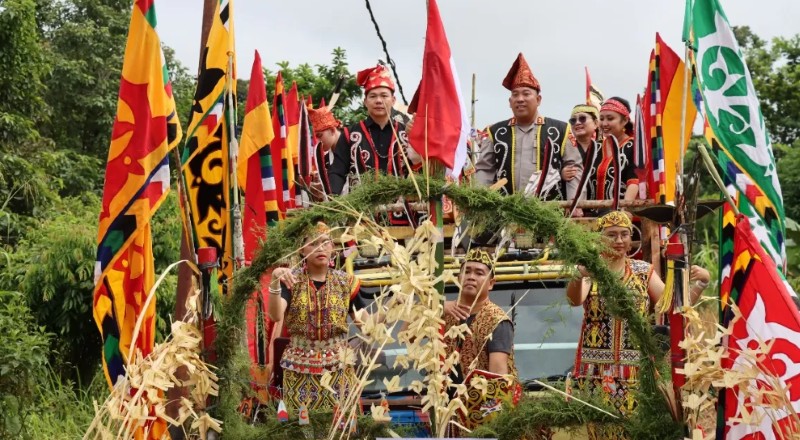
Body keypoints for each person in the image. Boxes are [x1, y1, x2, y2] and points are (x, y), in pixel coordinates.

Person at [565, 211, 710, 439]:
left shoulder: (643, 271)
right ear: (598, 239)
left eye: (625, 234)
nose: (620, 241)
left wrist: (701, 283)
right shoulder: (591, 270)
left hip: (635, 371)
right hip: (594, 372)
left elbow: (671, 306)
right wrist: (578, 275)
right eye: (612, 235)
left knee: (634, 431)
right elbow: (575, 299)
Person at [267, 222, 369, 413]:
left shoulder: (345, 283)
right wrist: (274, 280)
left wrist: (395, 304)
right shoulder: (291, 280)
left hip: (338, 369)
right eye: (313, 244)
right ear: (302, 250)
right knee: (303, 428)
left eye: (325, 243)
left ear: (333, 247)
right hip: (299, 368)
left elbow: (366, 324)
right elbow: (275, 314)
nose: (320, 248)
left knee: (339, 426)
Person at [443, 248, 521, 432]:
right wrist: (436, 306)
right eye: (467, 271)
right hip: (444, 415)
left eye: (479, 273)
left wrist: (487, 429)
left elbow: (498, 379)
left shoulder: (497, 320)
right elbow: (408, 333)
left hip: (479, 420)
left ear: (491, 283)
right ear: (458, 276)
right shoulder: (445, 312)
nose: (471, 276)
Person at [476, 53, 570, 199]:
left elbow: (573, 170)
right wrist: (479, 200)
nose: (520, 99)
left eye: (526, 94)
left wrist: (575, 204)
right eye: (515, 95)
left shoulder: (560, 130)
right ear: (509, 101)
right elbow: (484, 170)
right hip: (505, 211)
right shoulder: (495, 132)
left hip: (550, 212)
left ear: (538, 99)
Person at [328, 64, 418, 196]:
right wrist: (333, 199)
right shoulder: (350, 135)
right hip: (362, 212)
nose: (378, 101)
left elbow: (418, 168)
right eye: (373, 96)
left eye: (384, 96)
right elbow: (337, 171)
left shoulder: (405, 133)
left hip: (402, 212)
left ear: (393, 100)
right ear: (365, 102)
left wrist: (418, 137)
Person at [589, 97, 640, 204]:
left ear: (625, 120)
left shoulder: (634, 146)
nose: (604, 124)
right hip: (590, 213)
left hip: (620, 214)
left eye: (610, 118)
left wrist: (622, 211)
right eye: (601, 119)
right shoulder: (594, 148)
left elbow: (634, 181)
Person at [562, 104, 601, 217]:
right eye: (573, 120)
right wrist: (562, 173)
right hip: (572, 213)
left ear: (596, 123)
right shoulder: (564, 147)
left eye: (582, 118)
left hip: (601, 210)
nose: (577, 123)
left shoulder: (605, 147)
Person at [307, 105, 342, 199]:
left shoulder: (355, 150)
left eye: (320, 135)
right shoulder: (325, 160)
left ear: (332, 130)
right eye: (315, 137)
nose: (317, 142)